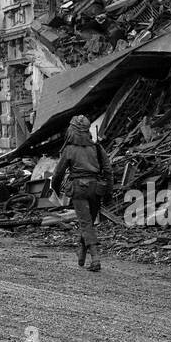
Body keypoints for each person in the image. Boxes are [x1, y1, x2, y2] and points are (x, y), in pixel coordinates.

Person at [50, 114, 111, 272]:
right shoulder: (96, 147)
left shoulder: (69, 150)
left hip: (79, 189)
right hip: (96, 188)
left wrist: (55, 190)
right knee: (88, 223)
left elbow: (58, 174)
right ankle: (82, 253)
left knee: (85, 223)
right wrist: (108, 192)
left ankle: (95, 258)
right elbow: (108, 170)